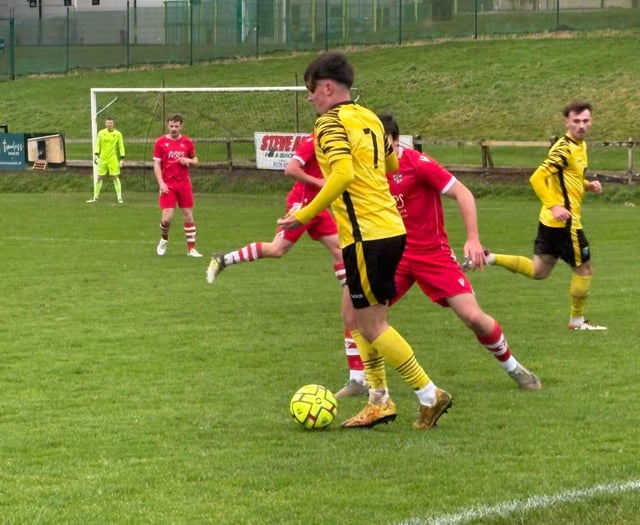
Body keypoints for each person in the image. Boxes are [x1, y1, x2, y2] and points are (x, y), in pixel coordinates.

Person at [277, 51, 452, 430]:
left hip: (366, 234)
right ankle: (379, 399)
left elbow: (340, 176)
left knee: (373, 325)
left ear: (327, 87)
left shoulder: (329, 124)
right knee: (354, 316)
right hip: (389, 229)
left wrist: (303, 215)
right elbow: (390, 164)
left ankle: (428, 393)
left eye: (311, 90)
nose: (309, 98)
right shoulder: (369, 116)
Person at [362, 113, 540, 390]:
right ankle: (370, 387)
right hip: (393, 254)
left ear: (396, 140)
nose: (379, 149)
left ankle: (514, 368)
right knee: (363, 312)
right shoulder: (369, 169)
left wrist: (473, 239)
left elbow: (463, 192)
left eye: (384, 142)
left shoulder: (418, 164)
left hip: (432, 253)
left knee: (473, 317)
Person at [206, 134, 368, 398]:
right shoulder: (315, 139)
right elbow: (290, 169)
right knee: (277, 249)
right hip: (303, 203)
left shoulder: (337, 138)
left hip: (319, 205)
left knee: (341, 251)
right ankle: (224, 259)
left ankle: (357, 374)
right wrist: (320, 183)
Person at [464, 101, 606, 331]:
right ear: (566, 122)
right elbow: (537, 178)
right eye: (576, 121)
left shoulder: (580, 146)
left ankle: (490, 258)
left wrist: (588, 185)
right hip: (564, 223)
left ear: (591, 121)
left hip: (550, 223)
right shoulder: (563, 149)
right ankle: (577, 321)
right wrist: (554, 206)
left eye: (585, 121)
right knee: (585, 269)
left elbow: (569, 177)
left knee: (539, 271)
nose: (581, 125)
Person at [153, 113, 203, 257]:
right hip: (168, 185)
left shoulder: (187, 142)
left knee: (188, 215)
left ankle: (191, 249)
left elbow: (196, 160)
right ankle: (164, 238)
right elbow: (156, 164)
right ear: (167, 126)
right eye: (171, 126)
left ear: (181, 126)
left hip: (184, 184)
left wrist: (188, 161)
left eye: (176, 126)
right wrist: (161, 183)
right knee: (167, 218)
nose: (174, 129)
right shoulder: (160, 142)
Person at [87, 118, 125, 203]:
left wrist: (122, 158)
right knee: (99, 177)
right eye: (107, 123)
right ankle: (95, 197)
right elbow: (98, 144)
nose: (109, 125)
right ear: (105, 124)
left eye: (110, 123)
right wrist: (96, 155)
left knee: (115, 177)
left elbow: (121, 146)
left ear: (113, 124)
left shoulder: (118, 134)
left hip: (113, 158)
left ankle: (119, 197)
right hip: (103, 158)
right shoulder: (101, 133)